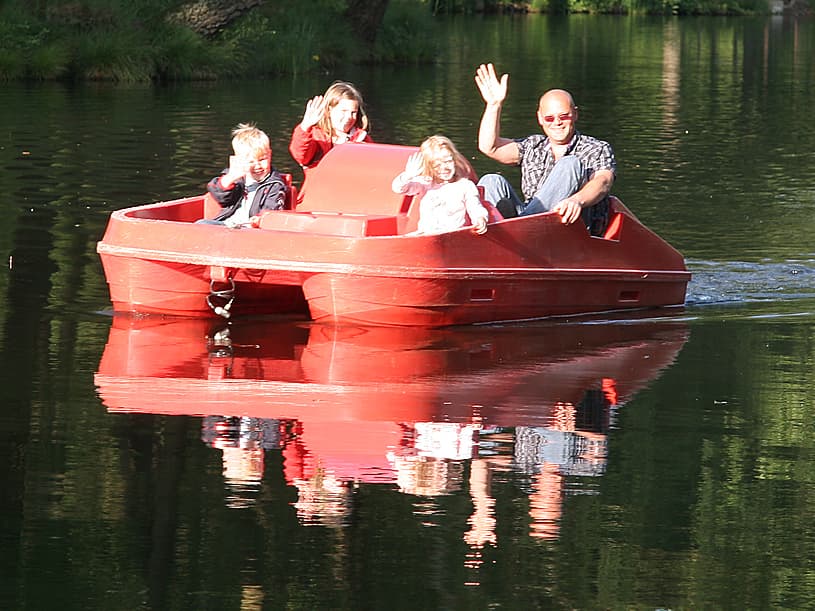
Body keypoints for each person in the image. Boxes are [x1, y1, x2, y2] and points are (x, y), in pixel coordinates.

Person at [474, 62, 616, 236]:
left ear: (575, 114)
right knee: (491, 181)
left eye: (564, 116)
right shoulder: (532, 146)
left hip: (572, 228)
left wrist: (577, 200)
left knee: (570, 164)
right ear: (540, 119)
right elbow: (490, 147)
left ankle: (518, 227)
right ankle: (500, 232)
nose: (557, 123)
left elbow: (603, 182)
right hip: (531, 227)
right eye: (549, 118)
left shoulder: (597, 148)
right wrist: (493, 105)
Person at [392, 135, 489, 236]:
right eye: (437, 165)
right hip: (427, 235)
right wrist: (408, 175)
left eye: (448, 161)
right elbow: (398, 188)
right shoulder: (425, 184)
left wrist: (480, 218)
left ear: (455, 160)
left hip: (454, 235)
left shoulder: (465, 185)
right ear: (429, 167)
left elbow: (475, 207)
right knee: (405, 239)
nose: (444, 168)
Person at [202, 123, 287, 227]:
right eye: (251, 162)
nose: (257, 165)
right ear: (239, 161)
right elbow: (221, 197)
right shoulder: (237, 179)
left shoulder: (274, 185)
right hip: (228, 224)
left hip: (251, 229)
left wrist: (260, 219)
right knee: (201, 224)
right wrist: (230, 178)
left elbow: (272, 211)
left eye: (262, 159)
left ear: (270, 155)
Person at [289, 80, 372, 185]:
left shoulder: (362, 138)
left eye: (353, 112)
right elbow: (300, 155)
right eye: (343, 111)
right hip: (319, 190)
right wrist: (305, 127)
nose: (348, 117)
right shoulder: (315, 137)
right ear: (329, 110)